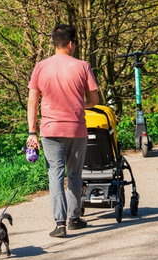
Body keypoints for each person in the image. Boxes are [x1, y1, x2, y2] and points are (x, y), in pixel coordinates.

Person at [26, 24, 99, 238]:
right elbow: (94, 100)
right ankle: (74, 218)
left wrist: (32, 133)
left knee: (55, 175)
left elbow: (32, 100)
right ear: (70, 43)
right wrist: (79, 105)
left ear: (54, 43)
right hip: (76, 128)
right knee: (75, 174)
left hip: (50, 129)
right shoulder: (83, 66)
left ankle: (60, 224)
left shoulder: (40, 67)